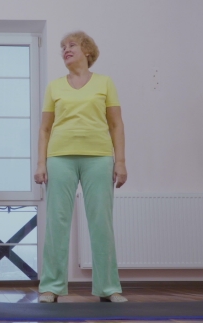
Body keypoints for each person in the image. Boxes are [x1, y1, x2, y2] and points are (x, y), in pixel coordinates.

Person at [34, 31, 127, 303]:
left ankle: (109, 288)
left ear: (87, 50)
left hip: (99, 157)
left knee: (101, 222)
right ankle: (50, 287)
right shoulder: (54, 87)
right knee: (57, 223)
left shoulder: (105, 83)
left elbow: (116, 124)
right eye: (62, 47)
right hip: (59, 157)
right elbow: (45, 128)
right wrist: (41, 162)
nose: (65, 50)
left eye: (71, 45)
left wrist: (120, 161)